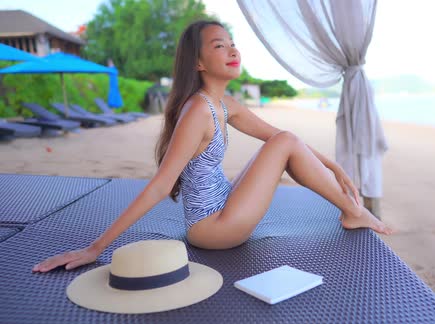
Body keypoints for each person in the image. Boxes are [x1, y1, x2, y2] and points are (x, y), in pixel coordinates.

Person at [32, 21, 393, 273]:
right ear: (199, 63)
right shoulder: (197, 112)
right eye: (219, 46)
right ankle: (352, 211)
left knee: (283, 139)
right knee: (284, 142)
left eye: (232, 42)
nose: (232, 49)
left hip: (225, 207)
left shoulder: (224, 103)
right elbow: (160, 184)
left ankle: (351, 210)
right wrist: (95, 248)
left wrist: (333, 165)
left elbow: (281, 136)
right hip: (212, 229)